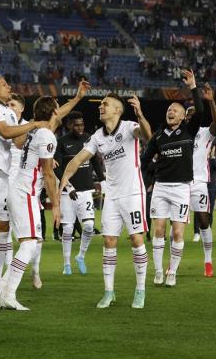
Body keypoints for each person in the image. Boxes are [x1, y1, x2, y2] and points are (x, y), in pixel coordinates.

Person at [0, 76, 80, 302]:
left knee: (2, 227)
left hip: (4, 175)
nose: (8, 87)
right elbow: (6, 132)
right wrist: (36, 125)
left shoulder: (10, 114)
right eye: (3, 84)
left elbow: (19, 141)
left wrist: (73, 101)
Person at [60, 92, 152, 309]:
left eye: (105, 104)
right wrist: (65, 177)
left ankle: (140, 290)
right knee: (109, 242)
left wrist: (140, 114)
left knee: (137, 241)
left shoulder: (130, 127)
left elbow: (147, 136)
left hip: (132, 193)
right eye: (101, 104)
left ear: (117, 110)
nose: (101, 106)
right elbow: (79, 159)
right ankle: (109, 292)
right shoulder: (97, 137)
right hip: (111, 196)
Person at [0, 96, 62, 310]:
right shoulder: (46, 134)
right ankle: (8, 295)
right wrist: (56, 207)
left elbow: (18, 143)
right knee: (29, 244)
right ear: (54, 112)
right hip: (25, 191)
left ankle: (2, 287)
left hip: (23, 190)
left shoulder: (35, 132)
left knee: (31, 243)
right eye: (58, 108)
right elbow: (48, 173)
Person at [141, 70, 202, 287]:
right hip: (161, 187)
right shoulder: (158, 135)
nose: (171, 112)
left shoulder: (188, 131)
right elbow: (144, 160)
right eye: (169, 109)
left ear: (184, 116)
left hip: (181, 188)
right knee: (158, 229)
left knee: (177, 232)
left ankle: (172, 272)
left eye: (175, 110)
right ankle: (158, 271)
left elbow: (202, 112)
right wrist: (148, 179)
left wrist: (193, 86)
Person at [54, 111, 105, 276]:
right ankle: (66, 263)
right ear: (69, 125)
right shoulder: (61, 143)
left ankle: (80, 256)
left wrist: (103, 182)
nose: (80, 127)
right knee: (68, 229)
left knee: (89, 226)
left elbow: (96, 161)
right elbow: (57, 168)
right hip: (68, 192)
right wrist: (68, 188)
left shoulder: (89, 139)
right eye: (76, 125)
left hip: (85, 190)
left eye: (82, 124)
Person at [185, 82, 216, 276]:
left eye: (193, 114)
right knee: (177, 224)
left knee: (203, 221)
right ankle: (173, 265)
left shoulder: (205, 133)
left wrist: (211, 102)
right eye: (188, 115)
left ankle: (208, 261)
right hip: (179, 183)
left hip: (198, 182)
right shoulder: (179, 134)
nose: (191, 117)